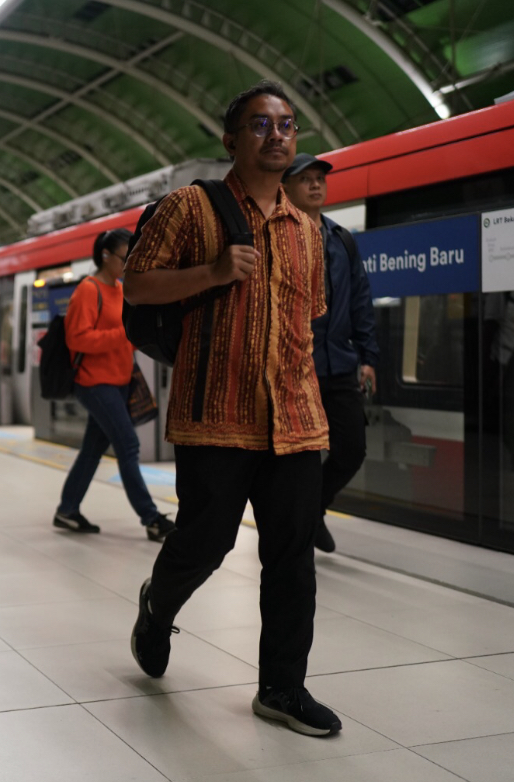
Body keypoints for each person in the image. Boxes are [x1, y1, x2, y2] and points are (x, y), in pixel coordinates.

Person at [123, 80, 340, 736]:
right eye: (260, 125)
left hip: (295, 420)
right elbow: (136, 282)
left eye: (286, 126)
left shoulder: (309, 231)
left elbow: (309, 316)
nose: (276, 135)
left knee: (291, 559)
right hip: (216, 413)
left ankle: (281, 687)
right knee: (206, 543)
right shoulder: (192, 209)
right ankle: (157, 610)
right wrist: (213, 273)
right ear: (231, 139)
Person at [283, 153, 379, 554]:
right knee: (301, 460)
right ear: (285, 187)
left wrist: (368, 356)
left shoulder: (341, 239)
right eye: (305, 179)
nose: (316, 185)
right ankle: (296, 532)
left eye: (320, 178)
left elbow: (360, 298)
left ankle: (314, 509)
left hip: (339, 362)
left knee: (352, 448)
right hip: (293, 366)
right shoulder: (278, 236)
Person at [53, 229, 174, 541]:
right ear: (105, 256)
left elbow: (127, 332)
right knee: (128, 446)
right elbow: (77, 338)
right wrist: (124, 335)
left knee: (92, 451)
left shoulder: (122, 289)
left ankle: (67, 510)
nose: (129, 262)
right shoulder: (87, 290)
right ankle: (151, 518)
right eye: (125, 257)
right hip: (94, 383)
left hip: (120, 381)